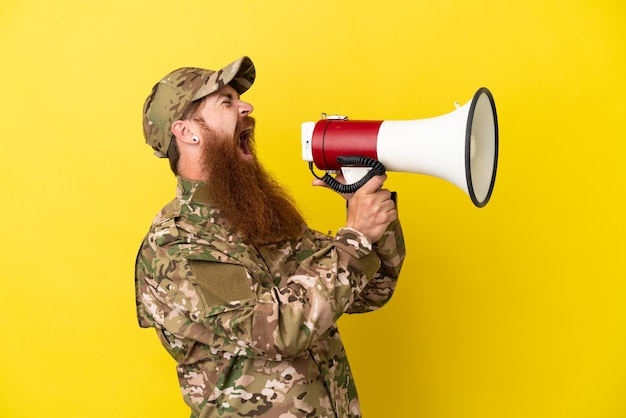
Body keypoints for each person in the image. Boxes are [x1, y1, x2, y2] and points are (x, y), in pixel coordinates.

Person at [135, 56, 406, 418]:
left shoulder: (261, 218)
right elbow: (276, 331)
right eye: (227, 102)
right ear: (188, 132)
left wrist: (367, 208)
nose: (246, 106)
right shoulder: (177, 242)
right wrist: (354, 237)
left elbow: (372, 290)